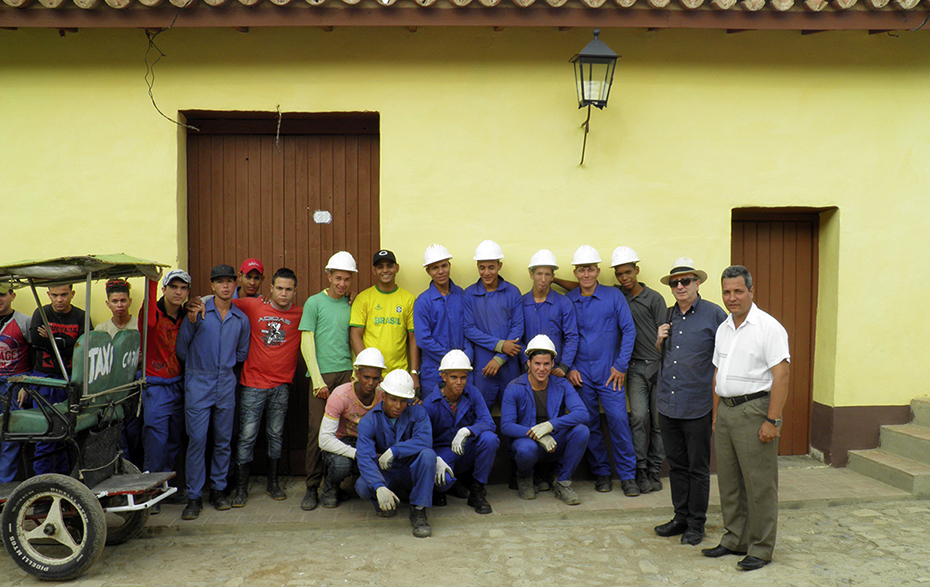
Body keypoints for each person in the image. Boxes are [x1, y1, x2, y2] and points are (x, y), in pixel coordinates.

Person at [703, 265, 790, 571]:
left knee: (759, 484)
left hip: (755, 410)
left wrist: (772, 420)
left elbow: (782, 375)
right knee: (729, 482)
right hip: (727, 411)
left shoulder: (768, 328)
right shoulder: (724, 328)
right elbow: (718, 373)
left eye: (738, 291)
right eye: (726, 292)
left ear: (751, 291)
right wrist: (716, 415)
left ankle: (761, 548)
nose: (732, 297)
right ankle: (735, 538)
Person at [653, 257, 727, 547]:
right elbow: (664, 357)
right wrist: (659, 341)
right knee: (677, 466)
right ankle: (680, 518)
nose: (680, 286)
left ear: (697, 283)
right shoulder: (668, 314)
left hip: (698, 404)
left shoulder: (714, 314)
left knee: (698, 468)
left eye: (686, 281)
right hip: (669, 402)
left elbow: (727, 356)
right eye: (675, 283)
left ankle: (697, 524)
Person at [176, 265, 250, 520]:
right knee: (197, 439)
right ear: (212, 285)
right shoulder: (198, 312)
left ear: (235, 284)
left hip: (226, 384)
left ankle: (218, 491)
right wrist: (198, 370)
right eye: (220, 282)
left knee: (223, 440)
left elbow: (241, 353)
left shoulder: (241, 319)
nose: (225, 286)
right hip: (198, 382)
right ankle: (194, 497)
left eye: (229, 281)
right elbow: (182, 349)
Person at [565, 245, 639, 497]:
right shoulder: (569, 301)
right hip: (581, 375)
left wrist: (621, 365)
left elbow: (628, 330)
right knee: (589, 423)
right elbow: (565, 336)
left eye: (590, 269)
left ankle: (628, 476)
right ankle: (602, 473)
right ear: (575, 273)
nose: (586, 274)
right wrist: (570, 368)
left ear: (597, 271)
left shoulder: (614, 296)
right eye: (581, 270)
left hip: (610, 374)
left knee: (618, 421)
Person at [229, 268, 303, 507]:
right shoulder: (253, 305)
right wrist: (197, 303)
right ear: (271, 288)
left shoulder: (301, 314)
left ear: (295, 291)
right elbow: (223, 300)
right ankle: (241, 489)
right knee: (247, 436)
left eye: (288, 289)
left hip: (281, 386)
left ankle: (273, 483)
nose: (283, 293)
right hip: (252, 384)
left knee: (275, 435)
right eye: (279, 288)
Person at [299, 251, 357, 511]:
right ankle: (312, 487)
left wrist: (355, 373)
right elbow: (306, 342)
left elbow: (354, 339)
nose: (342, 284)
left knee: (343, 433)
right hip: (322, 378)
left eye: (347, 279)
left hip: (347, 375)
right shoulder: (314, 303)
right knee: (317, 433)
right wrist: (317, 381)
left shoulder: (351, 304)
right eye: (338, 278)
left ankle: (334, 486)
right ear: (329, 276)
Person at [501, 335, 589, 505]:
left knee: (581, 431)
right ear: (529, 363)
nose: (542, 369)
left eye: (546, 364)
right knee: (526, 449)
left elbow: (582, 413)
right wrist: (536, 434)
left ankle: (562, 482)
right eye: (537, 363)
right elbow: (506, 426)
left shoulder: (562, 384)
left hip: (554, 442)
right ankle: (525, 477)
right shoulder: (514, 387)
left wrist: (550, 425)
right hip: (528, 443)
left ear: (552, 364)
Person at [610, 247, 667, 495]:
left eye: (628, 272)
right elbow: (584, 287)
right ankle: (640, 470)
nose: (624, 278)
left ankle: (654, 470)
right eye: (619, 274)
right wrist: (555, 278)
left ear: (637, 270)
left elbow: (664, 336)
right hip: (633, 368)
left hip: (657, 366)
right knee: (639, 418)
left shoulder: (655, 298)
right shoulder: (616, 296)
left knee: (658, 422)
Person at [355, 369, 436, 538]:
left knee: (428, 455)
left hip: (409, 469)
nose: (398, 406)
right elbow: (365, 457)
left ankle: (419, 510)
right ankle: (384, 501)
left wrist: (396, 450)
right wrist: (378, 486)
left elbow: (425, 440)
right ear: (383, 396)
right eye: (393, 399)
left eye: (403, 401)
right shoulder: (369, 421)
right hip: (386, 473)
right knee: (362, 486)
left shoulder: (417, 411)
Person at [423, 349, 497, 514]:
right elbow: (422, 439)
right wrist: (435, 459)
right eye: (454, 377)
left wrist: (467, 431)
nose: (459, 382)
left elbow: (489, 423)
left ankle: (477, 490)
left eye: (463, 377)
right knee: (443, 481)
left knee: (489, 439)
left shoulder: (473, 393)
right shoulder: (430, 404)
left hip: (464, 449)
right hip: (442, 454)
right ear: (444, 376)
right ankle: (443, 489)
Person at [141, 269, 190, 513]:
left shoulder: (186, 315)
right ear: (164, 289)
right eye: (173, 287)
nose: (178, 292)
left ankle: (165, 489)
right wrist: (152, 280)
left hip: (179, 384)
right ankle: (150, 491)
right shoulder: (152, 314)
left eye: (183, 288)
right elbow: (148, 320)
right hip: (156, 386)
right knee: (156, 440)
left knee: (173, 440)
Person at [29, 284, 91, 475]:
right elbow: (37, 342)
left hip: (70, 381)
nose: (59, 299)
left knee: (69, 434)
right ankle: (42, 482)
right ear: (48, 294)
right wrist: (68, 344)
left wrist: (52, 339)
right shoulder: (41, 313)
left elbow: (85, 346)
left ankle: (65, 480)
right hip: (45, 380)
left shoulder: (81, 316)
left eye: (64, 294)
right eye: (55, 295)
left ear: (72, 294)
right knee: (45, 433)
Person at [317, 347, 386, 508]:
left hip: (369, 440)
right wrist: (358, 454)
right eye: (366, 377)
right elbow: (324, 439)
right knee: (341, 466)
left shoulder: (383, 395)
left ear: (381, 378)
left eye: (375, 378)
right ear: (357, 374)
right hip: (343, 440)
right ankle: (330, 488)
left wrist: (413, 402)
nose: (371, 383)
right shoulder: (340, 395)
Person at [463, 240, 524, 409]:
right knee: (481, 412)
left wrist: (500, 358)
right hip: (483, 365)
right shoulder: (469, 294)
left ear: (499, 266)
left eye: (491, 267)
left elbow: (518, 328)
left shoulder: (513, 292)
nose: (486, 272)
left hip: (509, 362)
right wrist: (500, 345)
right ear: (477, 267)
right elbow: (468, 329)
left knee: (513, 411)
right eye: (482, 268)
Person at [94, 278, 142, 469]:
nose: (119, 305)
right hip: (112, 393)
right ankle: (123, 471)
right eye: (115, 301)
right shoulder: (102, 330)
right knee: (118, 434)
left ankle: (136, 470)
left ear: (130, 301)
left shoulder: (140, 326)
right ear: (108, 303)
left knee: (135, 433)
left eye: (123, 300)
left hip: (135, 390)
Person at [350, 250, 418, 383]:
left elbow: (413, 338)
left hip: (398, 375)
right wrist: (369, 368)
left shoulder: (409, 299)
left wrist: (414, 372)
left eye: (389, 266)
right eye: (380, 267)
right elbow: (355, 336)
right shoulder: (363, 298)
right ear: (374, 270)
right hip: (369, 376)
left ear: (397, 268)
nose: (385, 270)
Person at [414, 244, 470, 399]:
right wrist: (451, 360)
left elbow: (469, 330)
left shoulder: (462, 295)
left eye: (444, 266)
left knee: (463, 409)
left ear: (449, 265)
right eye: (434, 268)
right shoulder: (423, 301)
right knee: (433, 410)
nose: (440, 271)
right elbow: (423, 340)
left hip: (462, 370)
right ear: (428, 271)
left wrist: (465, 359)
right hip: (434, 372)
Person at [521, 250, 578, 379]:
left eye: (547, 274)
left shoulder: (564, 302)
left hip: (556, 370)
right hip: (528, 371)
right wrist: (526, 363)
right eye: (539, 274)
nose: (543, 279)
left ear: (553, 277)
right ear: (531, 274)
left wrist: (564, 366)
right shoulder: (521, 303)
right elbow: (517, 338)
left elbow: (571, 337)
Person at [0, 282, 31, 483]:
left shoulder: (25, 322)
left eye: (2, 294)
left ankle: (4, 486)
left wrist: (27, 384)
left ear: (12, 295)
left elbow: (37, 355)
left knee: (10, 436)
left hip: (14, 385)